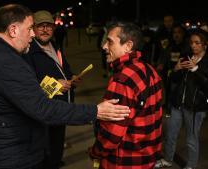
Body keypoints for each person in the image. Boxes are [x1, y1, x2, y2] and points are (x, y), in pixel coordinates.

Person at [0, 4, 130, 169]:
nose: (33, 34)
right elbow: (41, 108)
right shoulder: (7, 62)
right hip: (10, 156)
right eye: (30, 28)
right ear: (13, 30)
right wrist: (95, 111)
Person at [88, 22, 163, 169]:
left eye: (109, 42)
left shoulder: (122, 80)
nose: (104, 47)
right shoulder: (150, 70)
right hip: (147, 158)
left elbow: (112, 134)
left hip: (124, 161)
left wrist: (95, 152)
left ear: (128, 46)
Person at [22, 10, 78, 169]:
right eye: (41, 26)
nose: (46, 29)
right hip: (44, 108)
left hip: (61, 105)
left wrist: (72, 77)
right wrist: (55, 83)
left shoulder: (55, 46)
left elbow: (64, 69)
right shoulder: (28, 50)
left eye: (49, 26)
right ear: (33, 28)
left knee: (58, 141)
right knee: (45, 147)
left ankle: (55, 160)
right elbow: (29, 84)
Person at [155, 29, 208, 169]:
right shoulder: (186, 57)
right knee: (171, 134)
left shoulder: (206, 62)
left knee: (191, 139)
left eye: (197, 43)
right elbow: (174, 80)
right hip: (178, 104)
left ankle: (190, 165)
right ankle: (167, 159)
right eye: (191, 43)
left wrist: (196, 70)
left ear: (205, 45)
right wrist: (176, 70)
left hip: (195, 107)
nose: (194, 46)